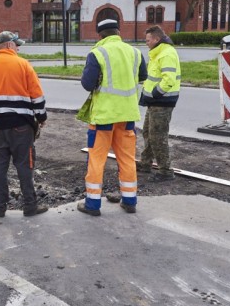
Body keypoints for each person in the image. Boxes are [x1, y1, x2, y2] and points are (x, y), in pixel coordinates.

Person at [0, 31, 49, 218]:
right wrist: (41, 118)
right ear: (9, 46)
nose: (18, 48)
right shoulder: (23, 65)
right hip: (22, 128)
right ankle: (30, 207)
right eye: (17, 45)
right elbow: (37, 97)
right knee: (24, 166)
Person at [77, 16, 146, 216]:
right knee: (127, 159)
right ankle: (130, 200)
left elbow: (87, 84)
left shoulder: (97, 53)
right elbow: (143, 76)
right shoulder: (134, 52)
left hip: (104, 117)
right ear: (118, 32)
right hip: (127, 116)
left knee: (97, 160)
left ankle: (92, 204)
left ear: (100, 34)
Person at [138, 25, 181, 178]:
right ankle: (145, 163)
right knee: (148, 133)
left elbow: (168, 80)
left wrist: (156, 94)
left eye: (148, 40)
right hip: (154, 101)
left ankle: (165, 170)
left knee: (157, 136)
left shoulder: (166, 54)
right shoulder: (157, 53)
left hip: (162, 102)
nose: (146, 43)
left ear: (156, 39)